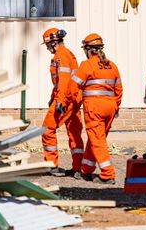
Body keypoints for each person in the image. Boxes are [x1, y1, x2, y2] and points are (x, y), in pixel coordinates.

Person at [68, 34, 123, 184]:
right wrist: (115, 106)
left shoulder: (86, 65)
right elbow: (119, 89)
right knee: (96, 139)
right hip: (111, 106)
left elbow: (73, 88)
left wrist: (75, 103)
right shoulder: (112, 65)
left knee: (97, 141)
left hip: (94, 107)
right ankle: (86, 169)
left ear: (88, 50)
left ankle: (108, 174)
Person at [40, 28, 85, 177]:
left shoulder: (61, 55)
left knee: (47, 129)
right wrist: (53, 97)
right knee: (74, 133)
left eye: (47, 45)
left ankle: (51, 165)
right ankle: (78, 167)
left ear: (53, 43)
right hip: (73, 99)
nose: (47, 49)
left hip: (65, 100)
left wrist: (59, 101)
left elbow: (64, 81)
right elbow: (61, 82)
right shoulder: (67, 53)